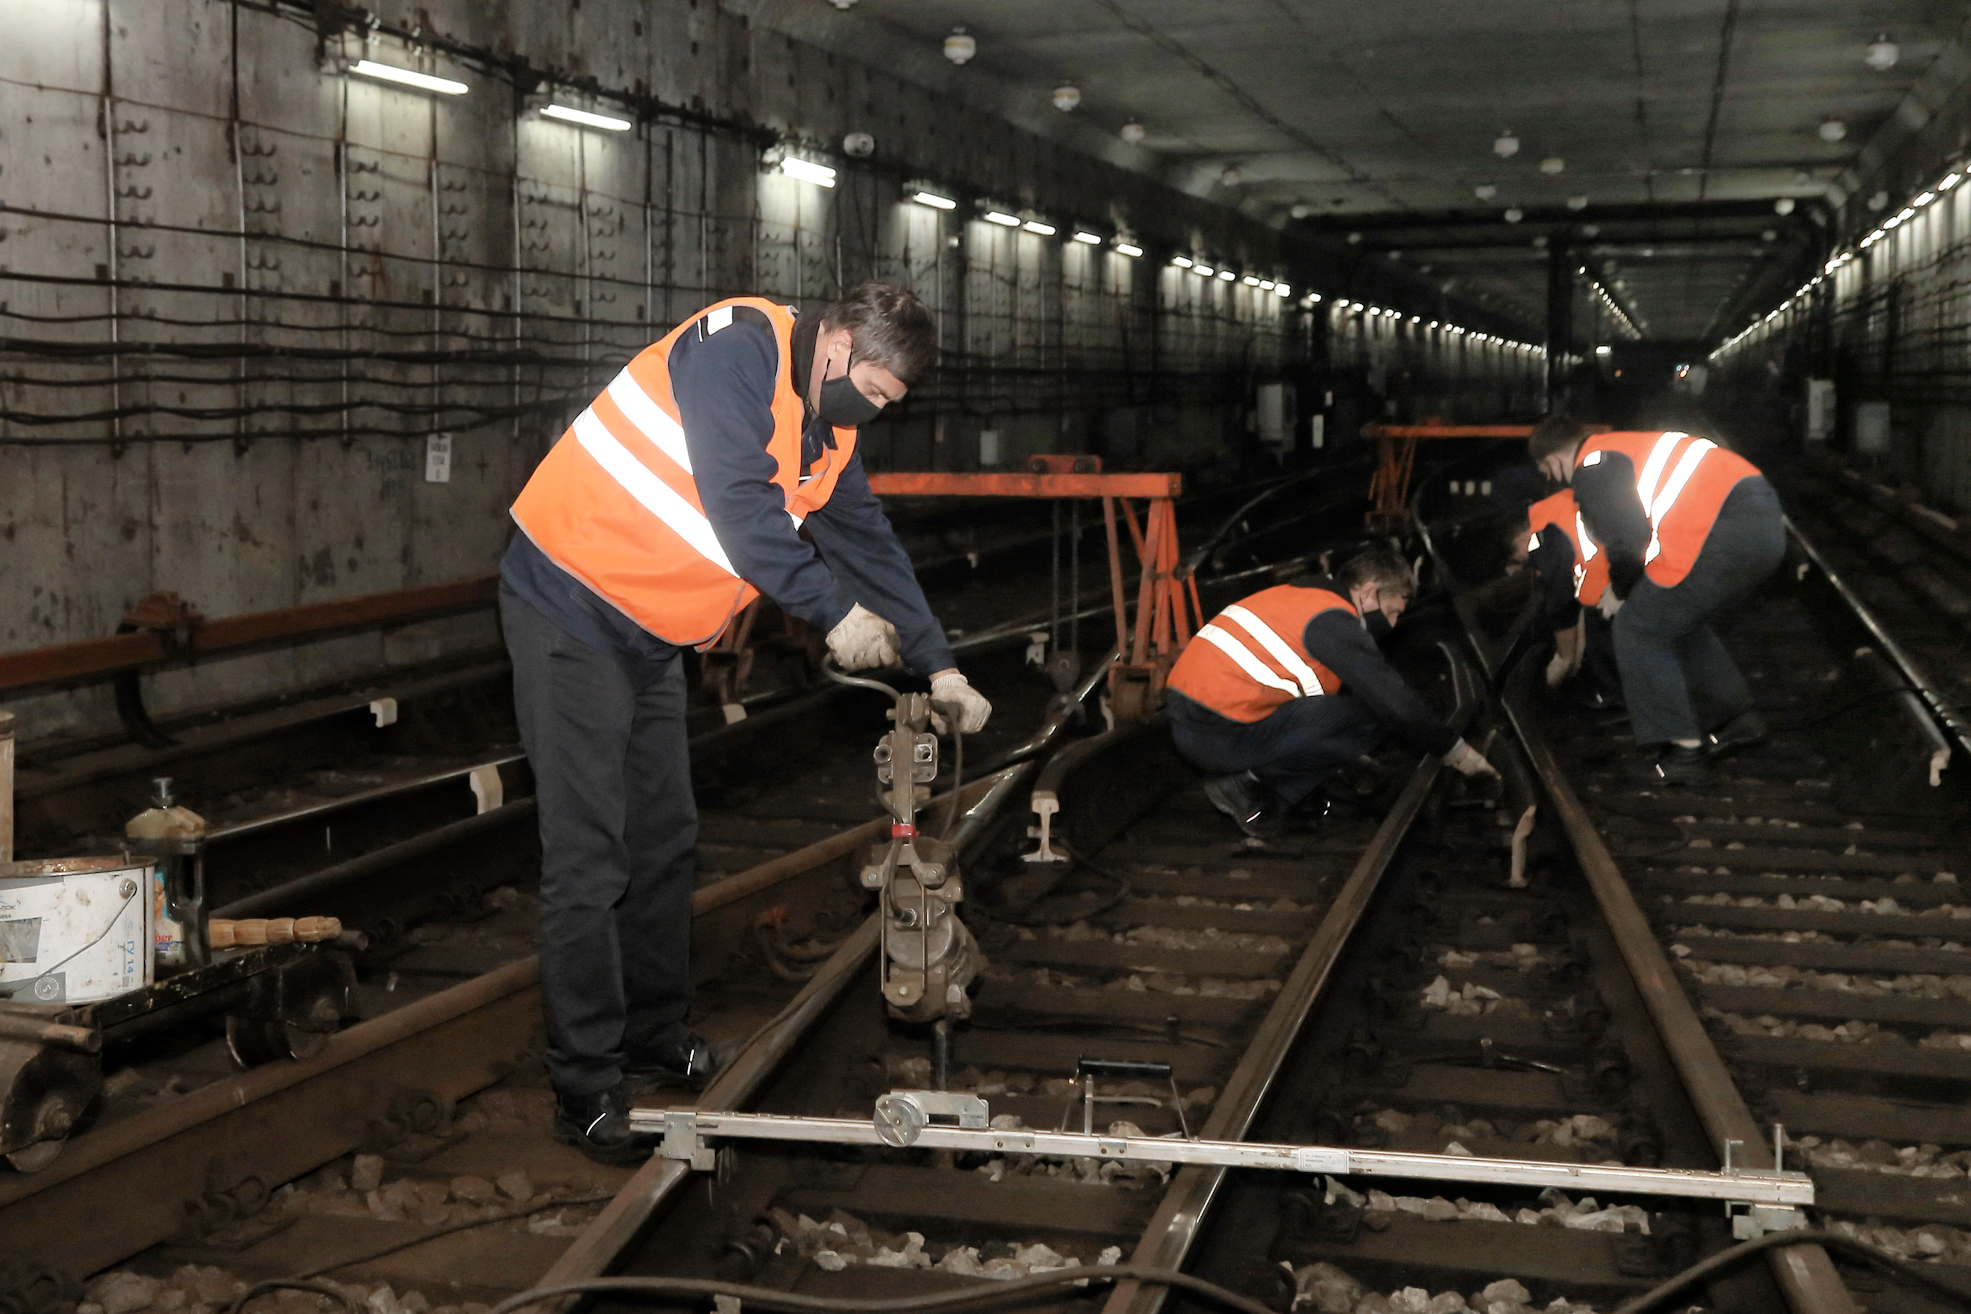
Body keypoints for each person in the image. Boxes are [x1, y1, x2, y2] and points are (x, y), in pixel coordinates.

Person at [499, 282, 994, 1162]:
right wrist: (830, 613)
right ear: (836, 347)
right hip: (568, 604)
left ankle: (656, 1038)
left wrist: (942, 664)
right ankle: (583, 1088)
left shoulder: (827, 431)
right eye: (875, 392)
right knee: (588, 854)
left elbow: (866, 542)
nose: (874, 413)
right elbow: (738, 506)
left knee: (663, 840)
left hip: (649, 634)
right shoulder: (736, 347)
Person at [1164, 548, 1499, 838]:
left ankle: (1267, 796)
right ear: (1369, 592)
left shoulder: (1301, 596)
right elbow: (1393, 701)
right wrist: (1457, 753)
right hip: (1218, 734)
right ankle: (1247, 785)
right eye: (1393, 610)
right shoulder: (1332, 619)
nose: (1393, 623)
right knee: (1373, 713)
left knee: (1351, 714)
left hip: (1195, 721)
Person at [1526, 415, 1783, 787]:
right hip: (1757, 520)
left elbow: (1627, 539)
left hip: (1722, 528)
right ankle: (1737, 720)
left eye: (1550, 471)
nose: (1558, 479)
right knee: (1674, 621)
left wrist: (1619, 591)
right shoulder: (1622, 447)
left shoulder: (1593, 465)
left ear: (1553, 460)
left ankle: (1684, 751)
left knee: (1637, 628)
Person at [1519, 487, 1621, 709]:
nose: (1527, 565)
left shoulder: (1543, 540)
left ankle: (1611, 695)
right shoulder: (1548, 506)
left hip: (1615, 576)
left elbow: (1562, 603)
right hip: (1625, 551)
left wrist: (1564, 658)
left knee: (1600, 626)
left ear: (1520, 541)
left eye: (1519, 560)